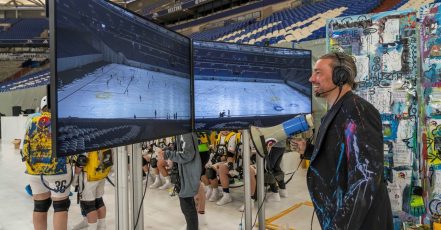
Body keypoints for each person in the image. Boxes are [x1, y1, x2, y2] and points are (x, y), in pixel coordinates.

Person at [291, 52, 393, 230]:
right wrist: (309, 150)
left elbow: (365, 178)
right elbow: (342, 155)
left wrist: (339, 227)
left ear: (340, 76)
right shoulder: (338, 110)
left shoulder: (357, 111)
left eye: (318, 73)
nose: (311, 79)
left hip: (361, 222)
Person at [21, 96, 72, 230]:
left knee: (40, 207)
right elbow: (72, 146)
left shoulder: (32, 120)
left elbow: (24, 148)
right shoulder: (63, 121)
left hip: (34, 171)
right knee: (60, 207)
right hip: (59, 170)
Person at [162, 132, 201, 230]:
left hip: (188, 174)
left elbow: (187, 154)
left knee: (187, 207)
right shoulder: (181, 132)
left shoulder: (185, 132)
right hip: (185, 173)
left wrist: (167, 154)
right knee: (187, 206)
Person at [72, 148, 113, 230]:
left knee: (88, 205)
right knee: (99, 201)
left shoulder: (85, 139)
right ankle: (102, 226)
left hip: (89, 176)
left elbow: (81, 160)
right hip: (101, 173)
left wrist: (75, 176)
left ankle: (92, 227)